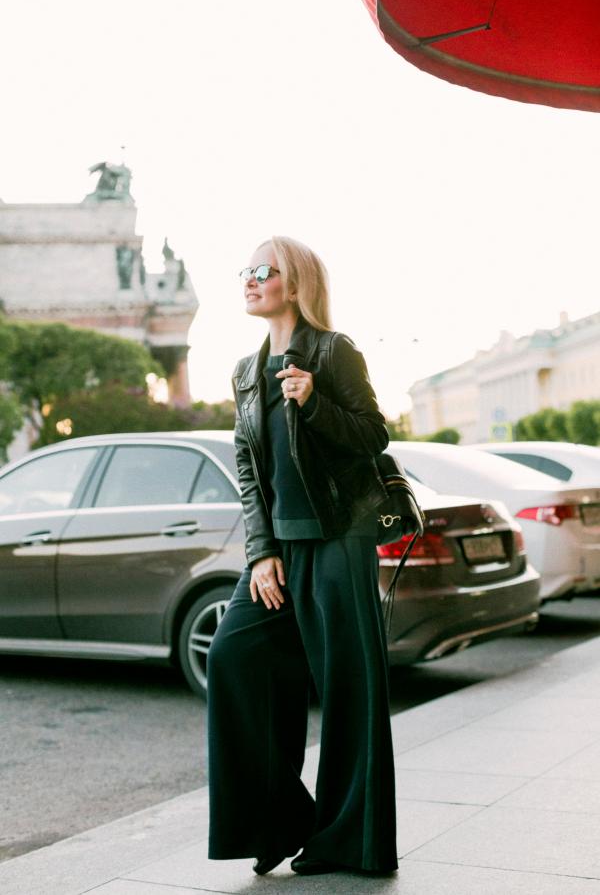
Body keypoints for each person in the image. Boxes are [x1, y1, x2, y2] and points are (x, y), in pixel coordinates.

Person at [207, 235, 397, 877]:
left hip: (340, 536)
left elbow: (373, 435)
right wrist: (261, 551)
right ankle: (280, 819)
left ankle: (349, 842)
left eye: (263, 270)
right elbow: (247, 464)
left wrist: (314, 403)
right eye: (246, 270)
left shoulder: (333, 351)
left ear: (295, 282)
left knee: (348, 693)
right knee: (233, 658)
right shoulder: (245, 370)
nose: (250, 279)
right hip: (278, 549)